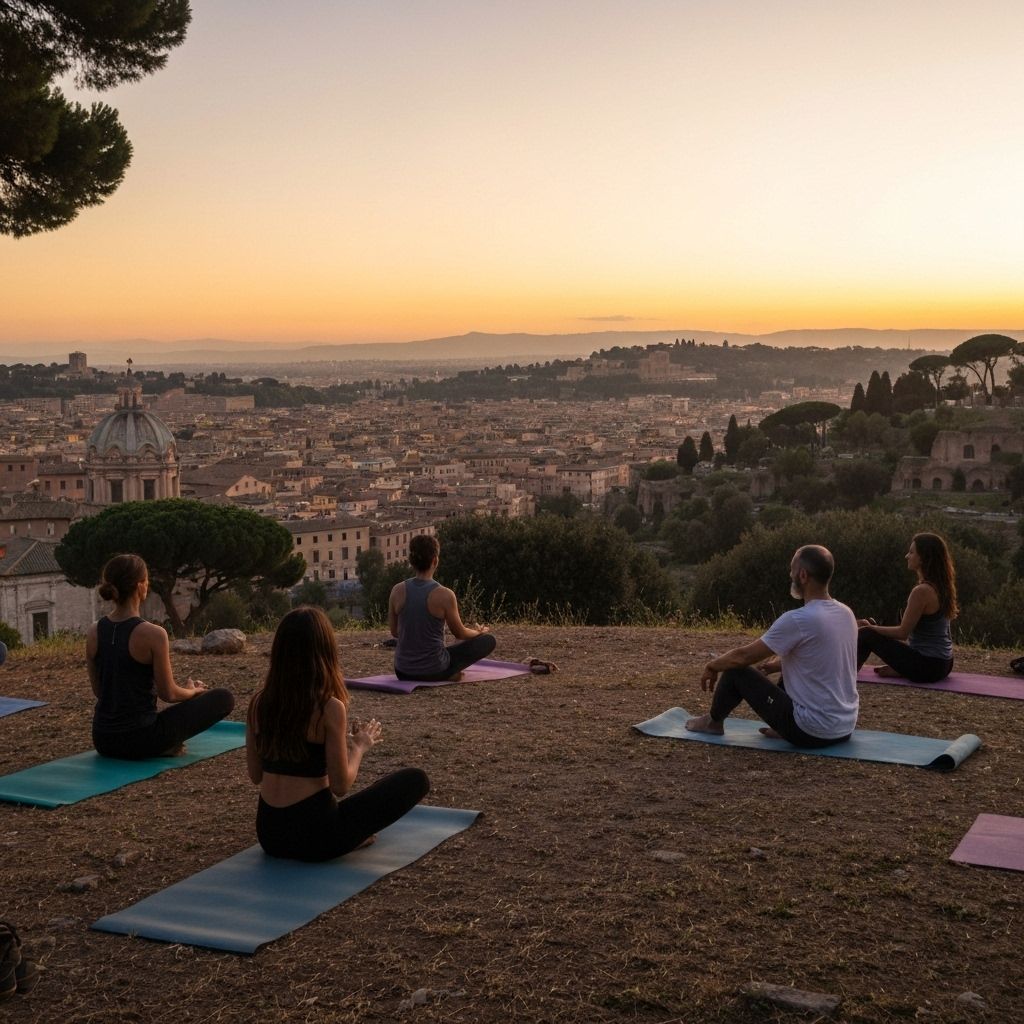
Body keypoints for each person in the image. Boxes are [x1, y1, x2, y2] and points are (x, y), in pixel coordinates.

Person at [246, 606, 430, 862]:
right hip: (318, 839)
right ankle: (350, 839)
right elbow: (340, 786)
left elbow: (256, 775)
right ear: (325, 652)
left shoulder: (258, 703)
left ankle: (349, 836)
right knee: (416, 779)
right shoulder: (328, 707)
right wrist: (358, 747)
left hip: (270, 836)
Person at [686, 544, 858, 748]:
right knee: (784, 670)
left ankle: (712, 722)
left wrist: (712, 665)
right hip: (844, 728)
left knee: (736, 671)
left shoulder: (799, 619)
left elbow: (743, 657)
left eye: (792, 569)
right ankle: (781, 728)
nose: (790, 574)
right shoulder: (846, 613)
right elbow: (820, 658)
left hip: (811, 732)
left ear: (803, 575)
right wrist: (776, 665)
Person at [87, 554, 234, 759]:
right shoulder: (154, 634)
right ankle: (162, 746)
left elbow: (99, 691)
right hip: (142, 738)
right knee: (224, 698)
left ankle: (161, 744)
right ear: (140, 586)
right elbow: (169, 694)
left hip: (103, 740)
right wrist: (193, 692)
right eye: (147, 581)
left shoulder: (94, 631)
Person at [388, 535, 496, 681]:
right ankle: (450, 673)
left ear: (411, 561)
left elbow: (395, 632)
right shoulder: (445, 594)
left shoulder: (397, 590)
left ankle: (446, 669)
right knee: (488, 641)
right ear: (435, 560)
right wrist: (478, 632)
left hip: (402, 671)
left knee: (450, 649)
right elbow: (460, 633)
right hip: (434, 670)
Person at [856, 532, 957, 683]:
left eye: (911, 552)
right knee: (870, 627)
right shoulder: (942, 586)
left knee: (866, 633)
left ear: (923, 558)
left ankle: (845, 671)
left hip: (929, 666)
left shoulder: (922, 591)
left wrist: (870, 629)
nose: (906, 556)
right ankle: (902, 670)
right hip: (945, 663)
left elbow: (902, 633)